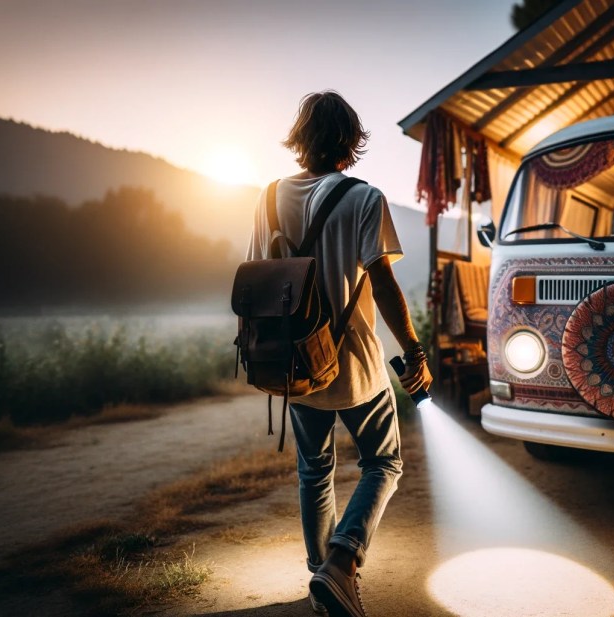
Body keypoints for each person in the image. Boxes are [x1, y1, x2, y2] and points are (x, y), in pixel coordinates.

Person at [247, 90, 432, 617]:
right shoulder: (363, 198)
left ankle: (318, 576)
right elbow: (386, 284)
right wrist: (414, 352)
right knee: (385, 462)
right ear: (350, 142)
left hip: (296, 362)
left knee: (315, 470)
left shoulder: (267, 198)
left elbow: (258, 273)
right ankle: (342, 563)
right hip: (354, 364)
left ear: (301, 140)